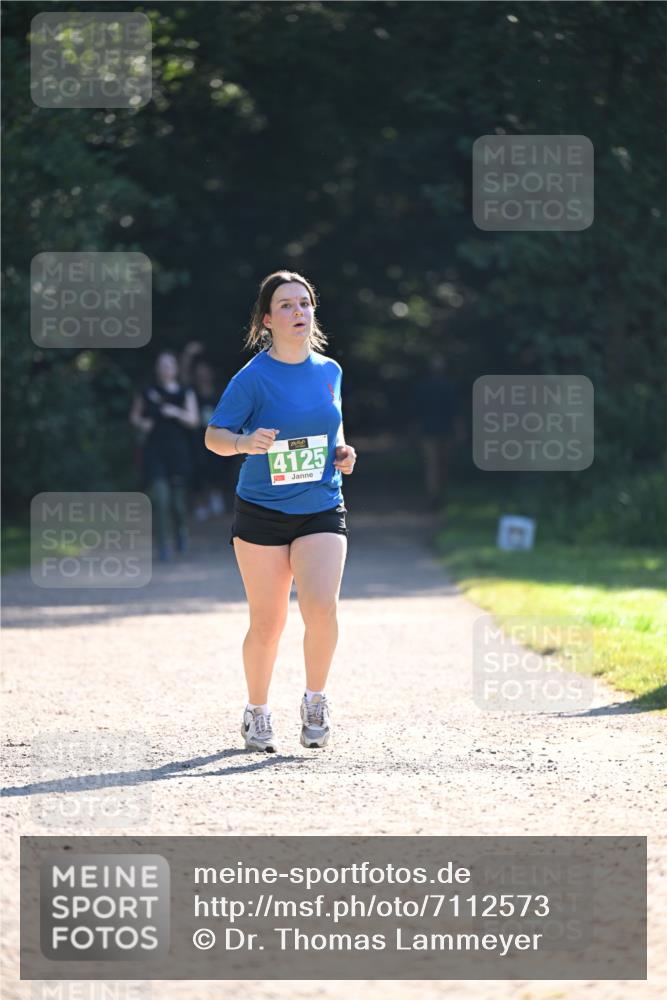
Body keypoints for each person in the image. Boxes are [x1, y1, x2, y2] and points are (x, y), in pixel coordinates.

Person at [204, 270, 357, 753]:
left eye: (305, 303)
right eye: (286, 306)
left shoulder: (330, 371)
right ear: (267, 320)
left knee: (321, 608)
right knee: (268, 623)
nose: (298, 312)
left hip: (320, 504)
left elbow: (333, 428)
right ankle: (257, 711)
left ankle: (315, 699)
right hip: (262, 512)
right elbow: (214, 437)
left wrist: (343, 452)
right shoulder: (252, 379)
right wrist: (245, 443)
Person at [129, 351, 199, 561]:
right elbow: (134, 416)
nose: (165, 369)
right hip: (155, 452)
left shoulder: (185, 392)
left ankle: (181, 534)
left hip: (177, 453)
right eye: (162, 365)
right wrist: (142, 424)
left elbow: (194, 421)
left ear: (175, 369)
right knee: (160, 499)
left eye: (169, 365)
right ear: (157, 369)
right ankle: (162, 546)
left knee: (177, 503)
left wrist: (175, 412)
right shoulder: (147, 392)